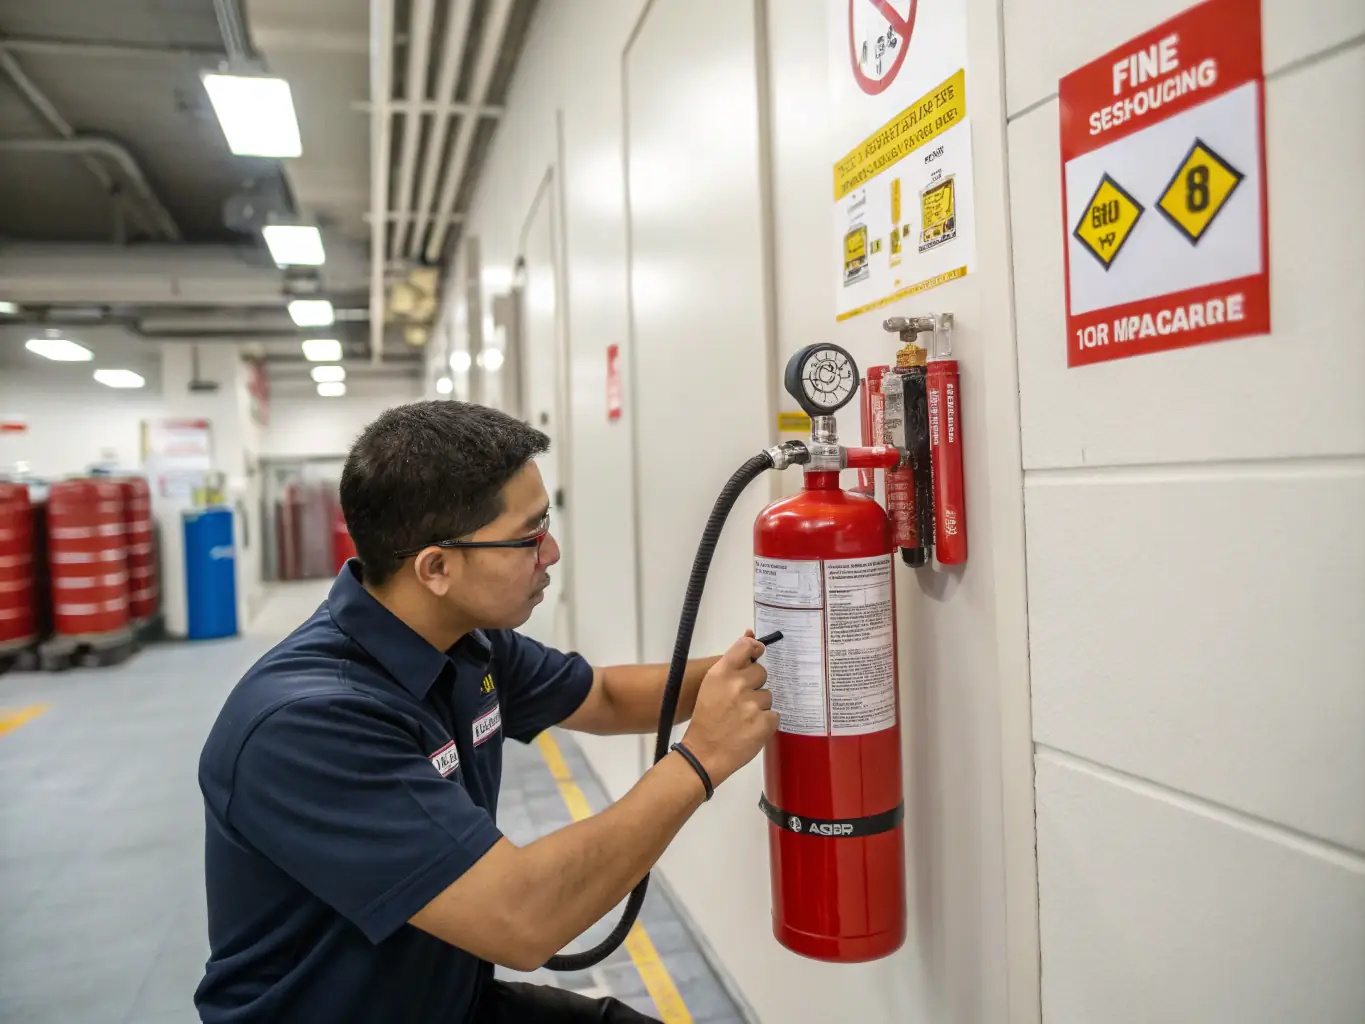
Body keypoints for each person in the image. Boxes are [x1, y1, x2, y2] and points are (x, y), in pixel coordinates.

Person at [194, 400, 777, 1023]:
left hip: (447, 1003)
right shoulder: (307, 726)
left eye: (545, 522)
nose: (550, 551)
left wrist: (771, 663)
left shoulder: (463, 641)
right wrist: (700, 761)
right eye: (528, 536)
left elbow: (603, 696)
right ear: (436, 567)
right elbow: (525, 919)